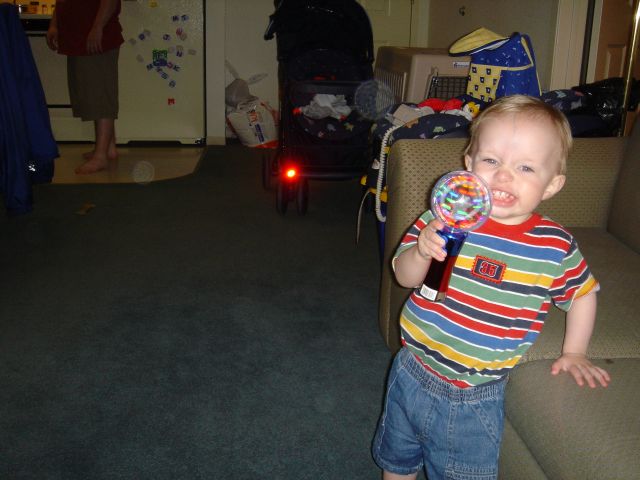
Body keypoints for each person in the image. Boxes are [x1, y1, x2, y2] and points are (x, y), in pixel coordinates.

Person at [371, 95, 610, 480]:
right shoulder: (445, 216)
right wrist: (422, 249)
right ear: (468, 165)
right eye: (491, 160)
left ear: (552, 185)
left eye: (526, 167)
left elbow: (583, 292)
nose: (503, 176)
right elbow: (403, 275)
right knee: (397, 461)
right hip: (411, 368)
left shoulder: (553, 245)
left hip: (475, 393)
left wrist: (575, 351)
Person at [46, 0, 123, 174]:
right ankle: (108, 148)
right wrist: (54, 25)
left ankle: (101, 156)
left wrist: (98, 27)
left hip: (95, 36)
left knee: (101, 93)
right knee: (91, 91)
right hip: (78, 37)